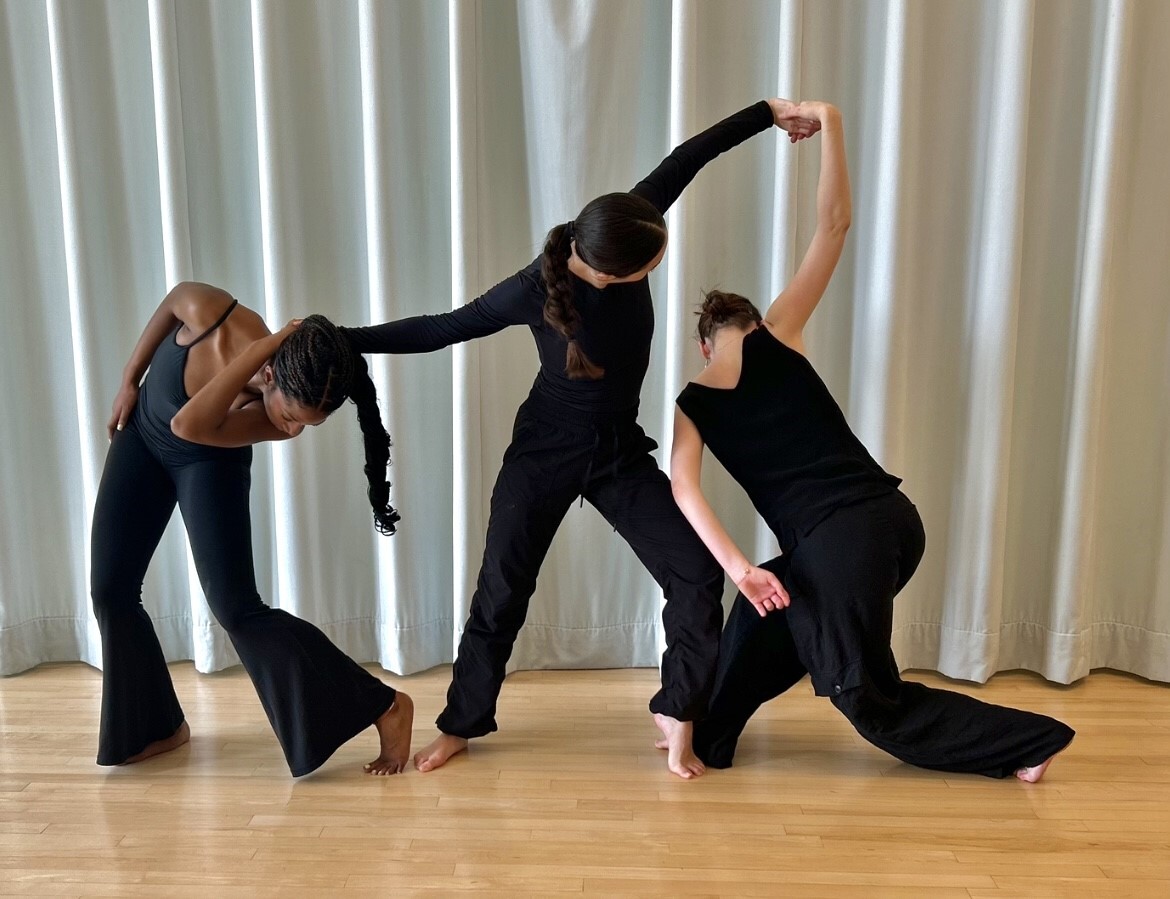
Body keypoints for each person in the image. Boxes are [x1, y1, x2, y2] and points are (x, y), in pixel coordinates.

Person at [343, 99, 820, 778]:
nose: (658, 263)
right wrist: (341, 337)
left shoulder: (627, 219)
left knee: (695, 573)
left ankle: (678, 712)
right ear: (609, 272)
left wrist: (772, 113)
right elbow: (439, 328)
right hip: (544, 450)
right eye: (650, 265)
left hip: (618, 451)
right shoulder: (531, 290)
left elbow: (690, 155)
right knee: (501, 591)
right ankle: (460, 723)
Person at [670, 101, 1075, 781]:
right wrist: (829, 121)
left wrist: (739, 567)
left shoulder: (693, 403)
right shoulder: (782, 332)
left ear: (703, 343)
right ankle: (710, 736)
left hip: (841, 543)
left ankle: (1027, 742)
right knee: (766, 612)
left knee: (866, 696)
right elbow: (834, 224)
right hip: (889, 524)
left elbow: (684, 489)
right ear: (751, 319)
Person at [92, 281, 413, 776]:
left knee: (236, 609)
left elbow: (188, 427)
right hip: (141, 438)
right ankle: (155, 729)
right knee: (110, 589)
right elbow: (174, 301)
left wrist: (267, 350)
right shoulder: (212, 314)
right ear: (270, 374)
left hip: (207, 460)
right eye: (291, 416)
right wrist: (129, 379)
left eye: (306, 425)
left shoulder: (268, 415)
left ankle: (384, 705)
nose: (292, 431)